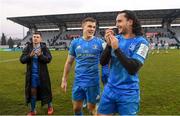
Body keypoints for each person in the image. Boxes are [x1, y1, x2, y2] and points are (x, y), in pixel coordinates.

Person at [97, 10, 149, 115]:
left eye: (120, 21)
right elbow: (103, 62)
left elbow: (133, 69)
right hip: (110, 88)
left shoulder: (142, 43)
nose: (117, 25)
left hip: (128, 92)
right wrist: (108, 45)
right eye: (116, 22)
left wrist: (116, 49)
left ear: (130, 22)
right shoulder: (116, 39)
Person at [61, 17, 105, 115]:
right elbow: (69, 62)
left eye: (94, 27)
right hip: (78, 81)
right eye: (89, 26)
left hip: (93, 82)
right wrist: (64, 79)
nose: (92, 29)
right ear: (83, 27)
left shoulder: (100, 43)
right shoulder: (75, 43)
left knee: (92, 109)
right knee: (76, 108)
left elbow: (108, 61)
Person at [20, 32, 53, 115]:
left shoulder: (44, 48)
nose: (35, 38)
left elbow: (49, 59)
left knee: (46, 90)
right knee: (33, 92)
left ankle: (50, 106)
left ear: (40, 39)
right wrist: (29, 56)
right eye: (34, 37)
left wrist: (41, 56)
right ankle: (33, 110)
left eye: (37, 37)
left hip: (43, 75)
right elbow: (22, 60)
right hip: (32, 75)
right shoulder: (28, 48)